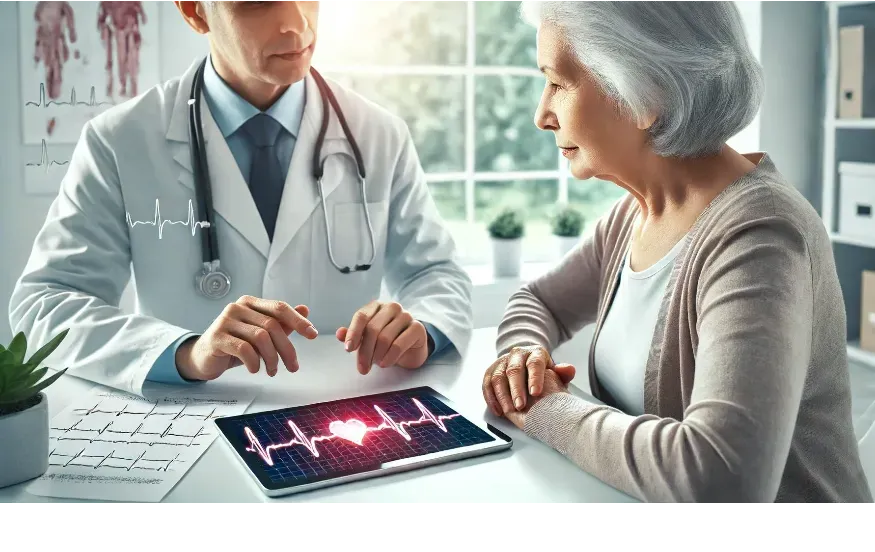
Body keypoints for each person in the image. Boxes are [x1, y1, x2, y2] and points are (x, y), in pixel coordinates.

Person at [482, 0, 873, 504]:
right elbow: (539, 301)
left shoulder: (758, 236)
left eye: (558, 83)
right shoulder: (634, 215)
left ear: (647, 92)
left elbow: (721, 477)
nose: (542, 116)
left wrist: (544, 410)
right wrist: (522, 358)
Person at [9, 0, 473, 397]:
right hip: (192, 423)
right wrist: (186, 352)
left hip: (345, 416)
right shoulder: (120, 140)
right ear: (194, 11)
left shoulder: (377, 133)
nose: (298, 24)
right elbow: (45, 304)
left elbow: (436, 273)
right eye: (256, 1)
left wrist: (422, 332)